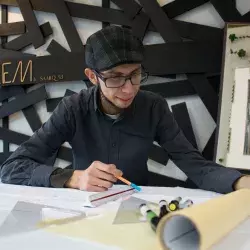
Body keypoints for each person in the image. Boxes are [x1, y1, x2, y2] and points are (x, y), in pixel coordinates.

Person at [0, 26, 249, 193]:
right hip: (85, 212)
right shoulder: (72, 108)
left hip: (137, 207)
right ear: (93, 77)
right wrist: (72, 178)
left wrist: (240, 182)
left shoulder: (154, 106)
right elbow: (12, 168)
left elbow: (194, 164)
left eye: (135, 74)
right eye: (115, 78)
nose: (129, 89)